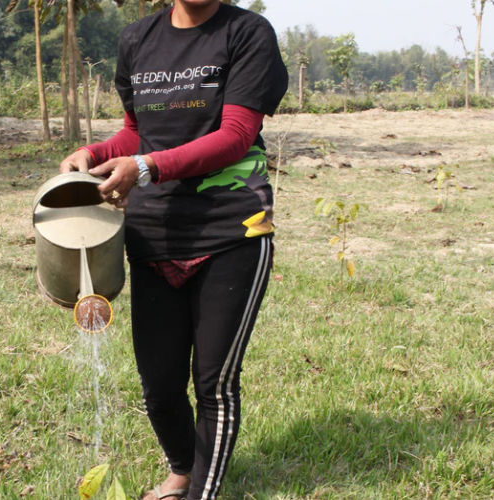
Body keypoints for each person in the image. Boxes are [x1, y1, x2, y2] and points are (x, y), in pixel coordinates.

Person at [60, 0, 288, 497]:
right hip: (153, 231)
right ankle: (183, 470)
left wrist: (144, 168)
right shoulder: (138, 39)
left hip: (230, 230)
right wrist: (96, 153)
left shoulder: (247, 33)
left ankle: (201, 492)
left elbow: (235, 136)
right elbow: (137, 131)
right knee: (159, 385)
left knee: (214, 383)